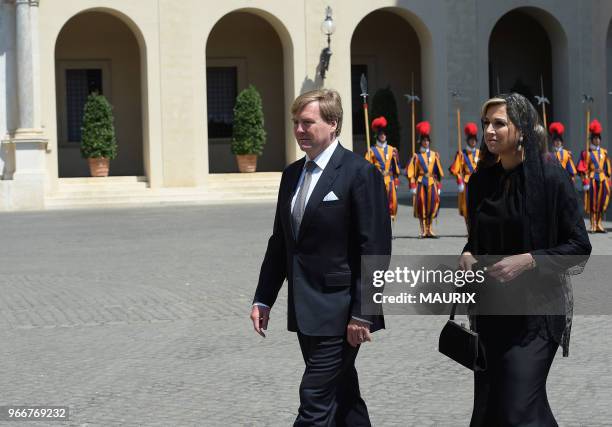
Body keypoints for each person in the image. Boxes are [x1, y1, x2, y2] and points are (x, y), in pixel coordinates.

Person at [250, 89, 391, 426]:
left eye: (307, 122)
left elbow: (375, 248)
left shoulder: (359, 173)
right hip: (306, 309)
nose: (299, 129)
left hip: (342, 312)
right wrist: (263, 298)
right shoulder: (291, 175)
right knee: (343, 397)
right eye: (296, 122)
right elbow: (281, 244)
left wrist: (363, 312)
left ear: (333, 123)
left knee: (314, 400)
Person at [459, 93, 591, 426]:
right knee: (494, 411)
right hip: (492, 312)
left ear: (522, 131)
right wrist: (467, 254)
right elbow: (476, 239)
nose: (489, 131)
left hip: (537, 315)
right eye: (487, 123)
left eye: (499, 123)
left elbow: (578, 246)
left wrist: (529, 260)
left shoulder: (551, 179)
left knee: (518, 407)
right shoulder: (480, 182)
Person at [406, 121, 444, 238]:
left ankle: (430, 229)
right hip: (421, 182)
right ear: (420, 142)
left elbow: (438, 172)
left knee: (432, 205)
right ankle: (423, 229)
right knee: (421, 205)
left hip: (432, 182)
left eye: (427, 140)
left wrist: (439, 185)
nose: (426, 142)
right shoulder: (416, 156)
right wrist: (412, 185)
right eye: (424, 140)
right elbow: (411, 172)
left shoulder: (434, 155)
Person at [577, 119, 610, 233]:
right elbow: (582, 167)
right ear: (591, 139)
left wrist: (608, 178)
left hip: (601, 179)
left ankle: (599, 224)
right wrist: (584, 178)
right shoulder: (587, 152)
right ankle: (593, 224)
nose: (597, 140)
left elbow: (607, 167)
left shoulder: (604, 152)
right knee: (592, 202)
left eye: (598, 138)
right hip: (592, 179)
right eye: (595, 138)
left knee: (601, 202)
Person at [365, 116, 401, 221]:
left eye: (384, 134)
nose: (383, 136)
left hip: (389, 180)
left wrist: (396, 180)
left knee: (391, 204)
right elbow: (367, 168)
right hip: (378, 180)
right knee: (378, 204)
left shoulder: (392, 149)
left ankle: (388, 230)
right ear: (377, 136)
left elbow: (395, 166)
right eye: (381, 134)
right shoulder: (371, 151)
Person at [449, 122, 480, 229]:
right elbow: (456, 169)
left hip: (478, 182)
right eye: (471, 140)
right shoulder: (462, 154)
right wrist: (459, 180)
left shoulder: (480, 153)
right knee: (467, 206)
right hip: (467, 182)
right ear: (468, 141)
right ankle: (469, 227)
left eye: (474, 140)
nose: (473, 142)